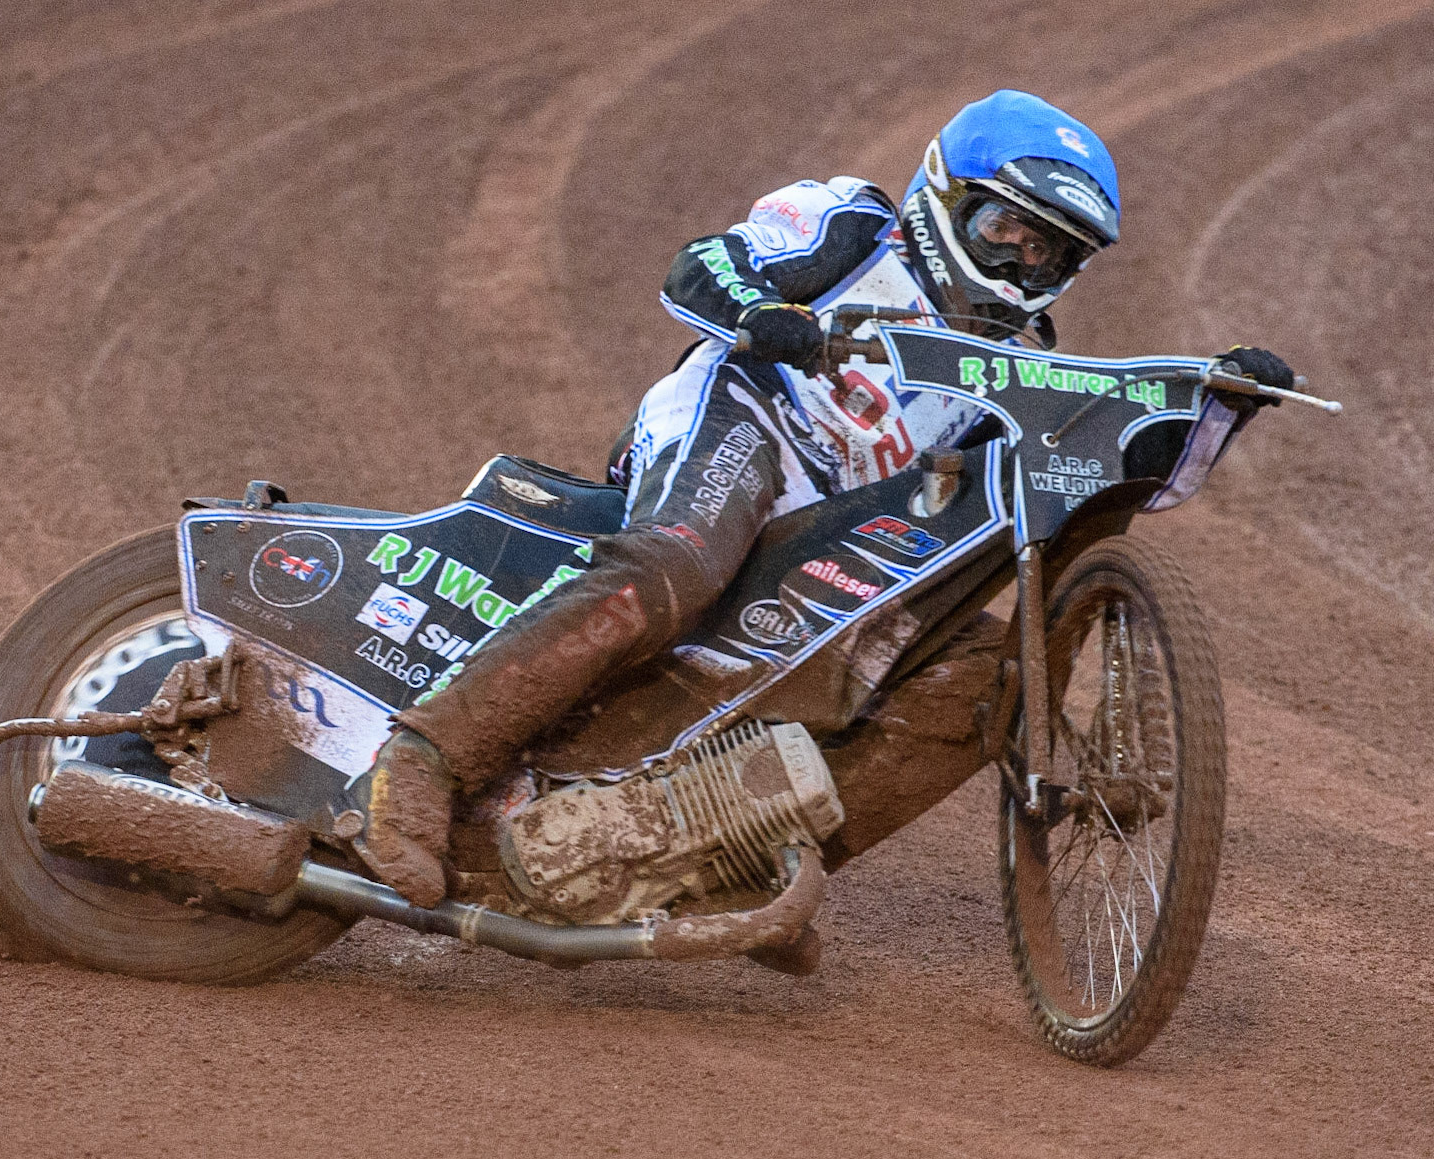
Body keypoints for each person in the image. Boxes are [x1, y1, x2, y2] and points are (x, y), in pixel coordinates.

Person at [351, 89, 1296, 908]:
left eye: (1050, 255)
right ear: (946, 196)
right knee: (678, 563)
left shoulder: (1027, 359)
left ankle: (729, 869)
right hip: (744, 421)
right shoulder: (852, 222)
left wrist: (1213, 405)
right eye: (1005, 229)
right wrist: (765, 316)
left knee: (987, 689)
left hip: (841, 524)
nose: (1021, 263)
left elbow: (1100, 488)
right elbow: (701, 266)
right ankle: (422, 759)